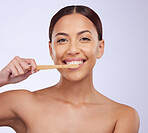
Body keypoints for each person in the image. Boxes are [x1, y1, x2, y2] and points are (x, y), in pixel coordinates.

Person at [0, 5, 139, 133]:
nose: (73, 50)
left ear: (100, 48)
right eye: (62, 40)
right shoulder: (23, 103)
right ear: (51, 50)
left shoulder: (123, 116)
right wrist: (1, 79)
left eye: (84, 39)